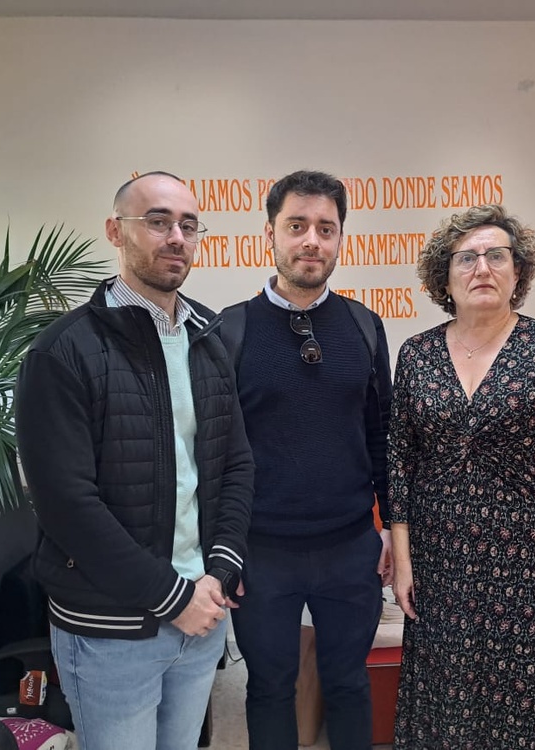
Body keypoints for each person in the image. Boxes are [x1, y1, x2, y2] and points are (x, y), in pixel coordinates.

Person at [15, 171, 254, 750]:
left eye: (189, 225)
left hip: (202, 613)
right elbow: (67, 506)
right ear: (115, 231)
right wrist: (174, 598)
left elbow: (235, 464)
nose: (176, 237)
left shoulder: (207, 337)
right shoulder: (64, 350)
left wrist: (219, 572)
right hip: (113, 631)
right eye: (157, 221)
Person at [388, 203, 535, 748]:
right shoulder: (416, 355)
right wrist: (404, 565)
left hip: (527, 568)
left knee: (525, 708)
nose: (482, 268)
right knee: (446, 703)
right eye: (467, 258)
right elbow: (399, 466)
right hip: (440, 567)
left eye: (496, 256)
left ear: (517, 272)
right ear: (445, 278)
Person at [220, 170, 393, 750]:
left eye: (326, 227)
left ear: (341, 237)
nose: (311, 240)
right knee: (270, 688)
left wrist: (392, 529)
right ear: (269, 233)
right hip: (261, 553)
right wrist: (223, 551)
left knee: (348, 683)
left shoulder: (364, 326)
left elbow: (382, 436)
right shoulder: (229, 331)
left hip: (350, 548)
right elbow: (212, 453)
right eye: (297, 226)